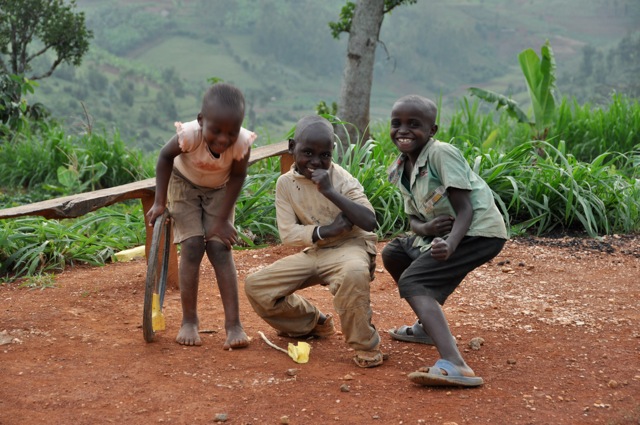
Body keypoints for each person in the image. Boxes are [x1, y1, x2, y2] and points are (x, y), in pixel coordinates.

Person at [383, 95, 507, 387]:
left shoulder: (442, 153)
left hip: (477, 232)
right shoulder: (400, 167)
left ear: (432, 130)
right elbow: (412, 219)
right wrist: (426, 228)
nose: (403, 131)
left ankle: (456, 363)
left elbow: (466, 209)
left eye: (414, 124)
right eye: (396, 124)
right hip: (441, 235)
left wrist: (450, 244)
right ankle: (428, 327)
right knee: (394, 253)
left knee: (413, 281)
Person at [244, 115, 384, 368]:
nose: (316, 162)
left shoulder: (341, 179)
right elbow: (288, 234)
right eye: (307, 152)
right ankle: (313, 321)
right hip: (318, 248)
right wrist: (326, 230)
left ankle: (366, 345)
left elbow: (369, 220)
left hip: (351, 247)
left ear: (332, 155)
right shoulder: (285, 183)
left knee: (353, 273)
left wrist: (330, 191)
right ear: (291, 147)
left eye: (325, 155)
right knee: (257, 286)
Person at [146, 83, 255, 350]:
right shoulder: (190, 136)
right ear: (201, 120)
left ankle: (233, 325)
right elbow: (164, 157)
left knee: (220, 248)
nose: (222, 139)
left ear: (239, 127)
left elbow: (238, 177)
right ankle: (189, 321)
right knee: (193, 246)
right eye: (215, 130)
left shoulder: (240, 144)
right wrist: (160, 202)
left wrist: (221, 221)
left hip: (220, 188)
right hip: (184, 184)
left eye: (230, 132)